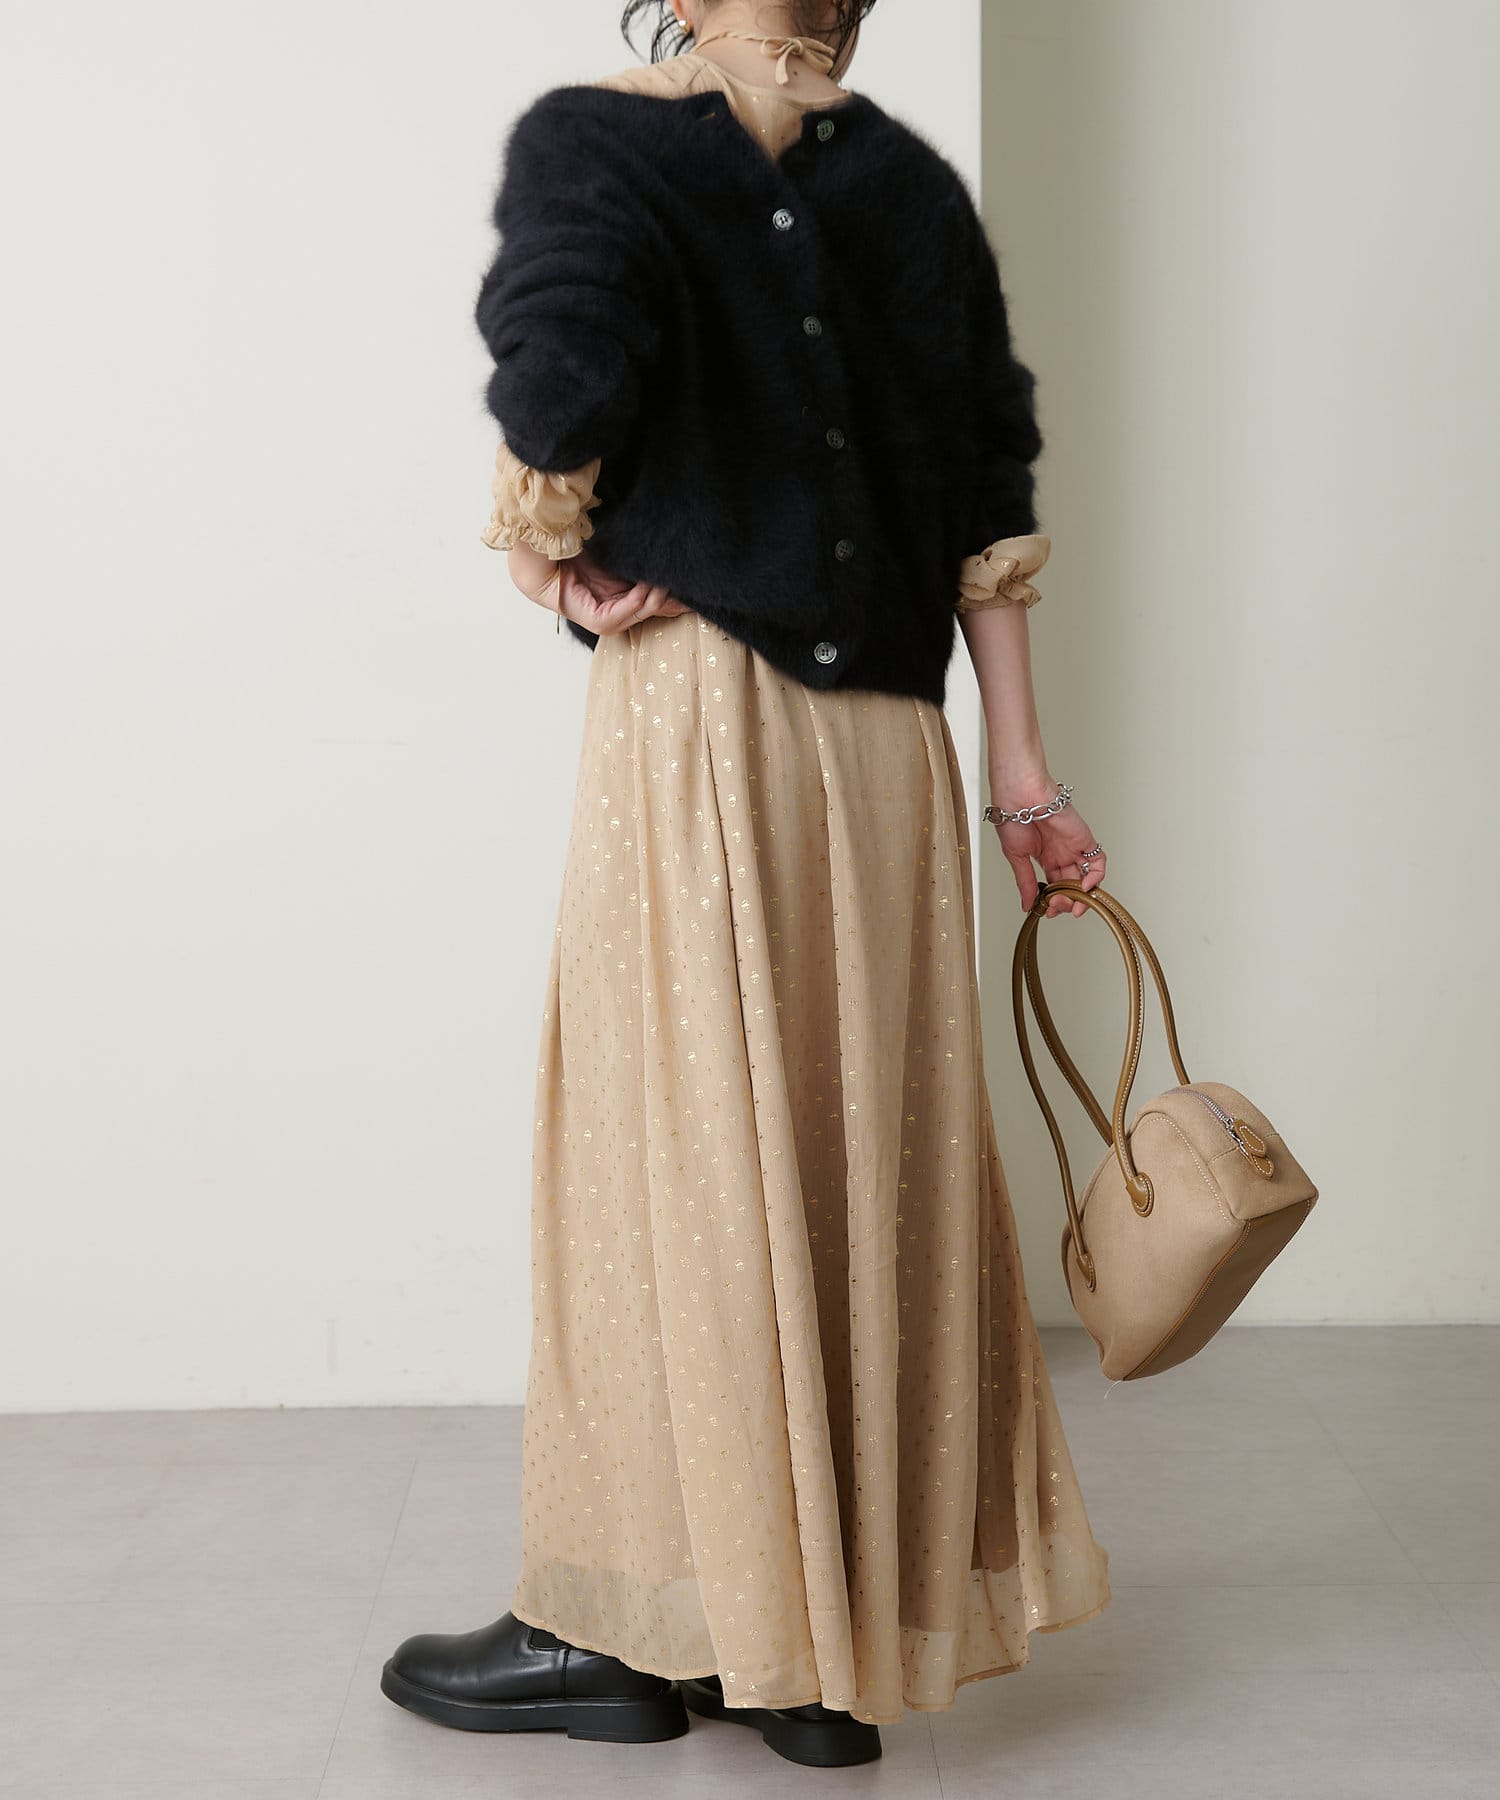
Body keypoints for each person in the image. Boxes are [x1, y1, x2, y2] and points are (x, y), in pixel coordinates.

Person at [380, 0, 1112, 1770]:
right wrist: (1024, 778)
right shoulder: (905, 185)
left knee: (669, 1154)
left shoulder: (618, 132)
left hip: (706, 712)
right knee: (856, 1147)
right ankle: (813, 1653)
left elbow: (558, 406)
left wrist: (550, 559)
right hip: (891, 743)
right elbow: (982, 504)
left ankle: (619, 1628)